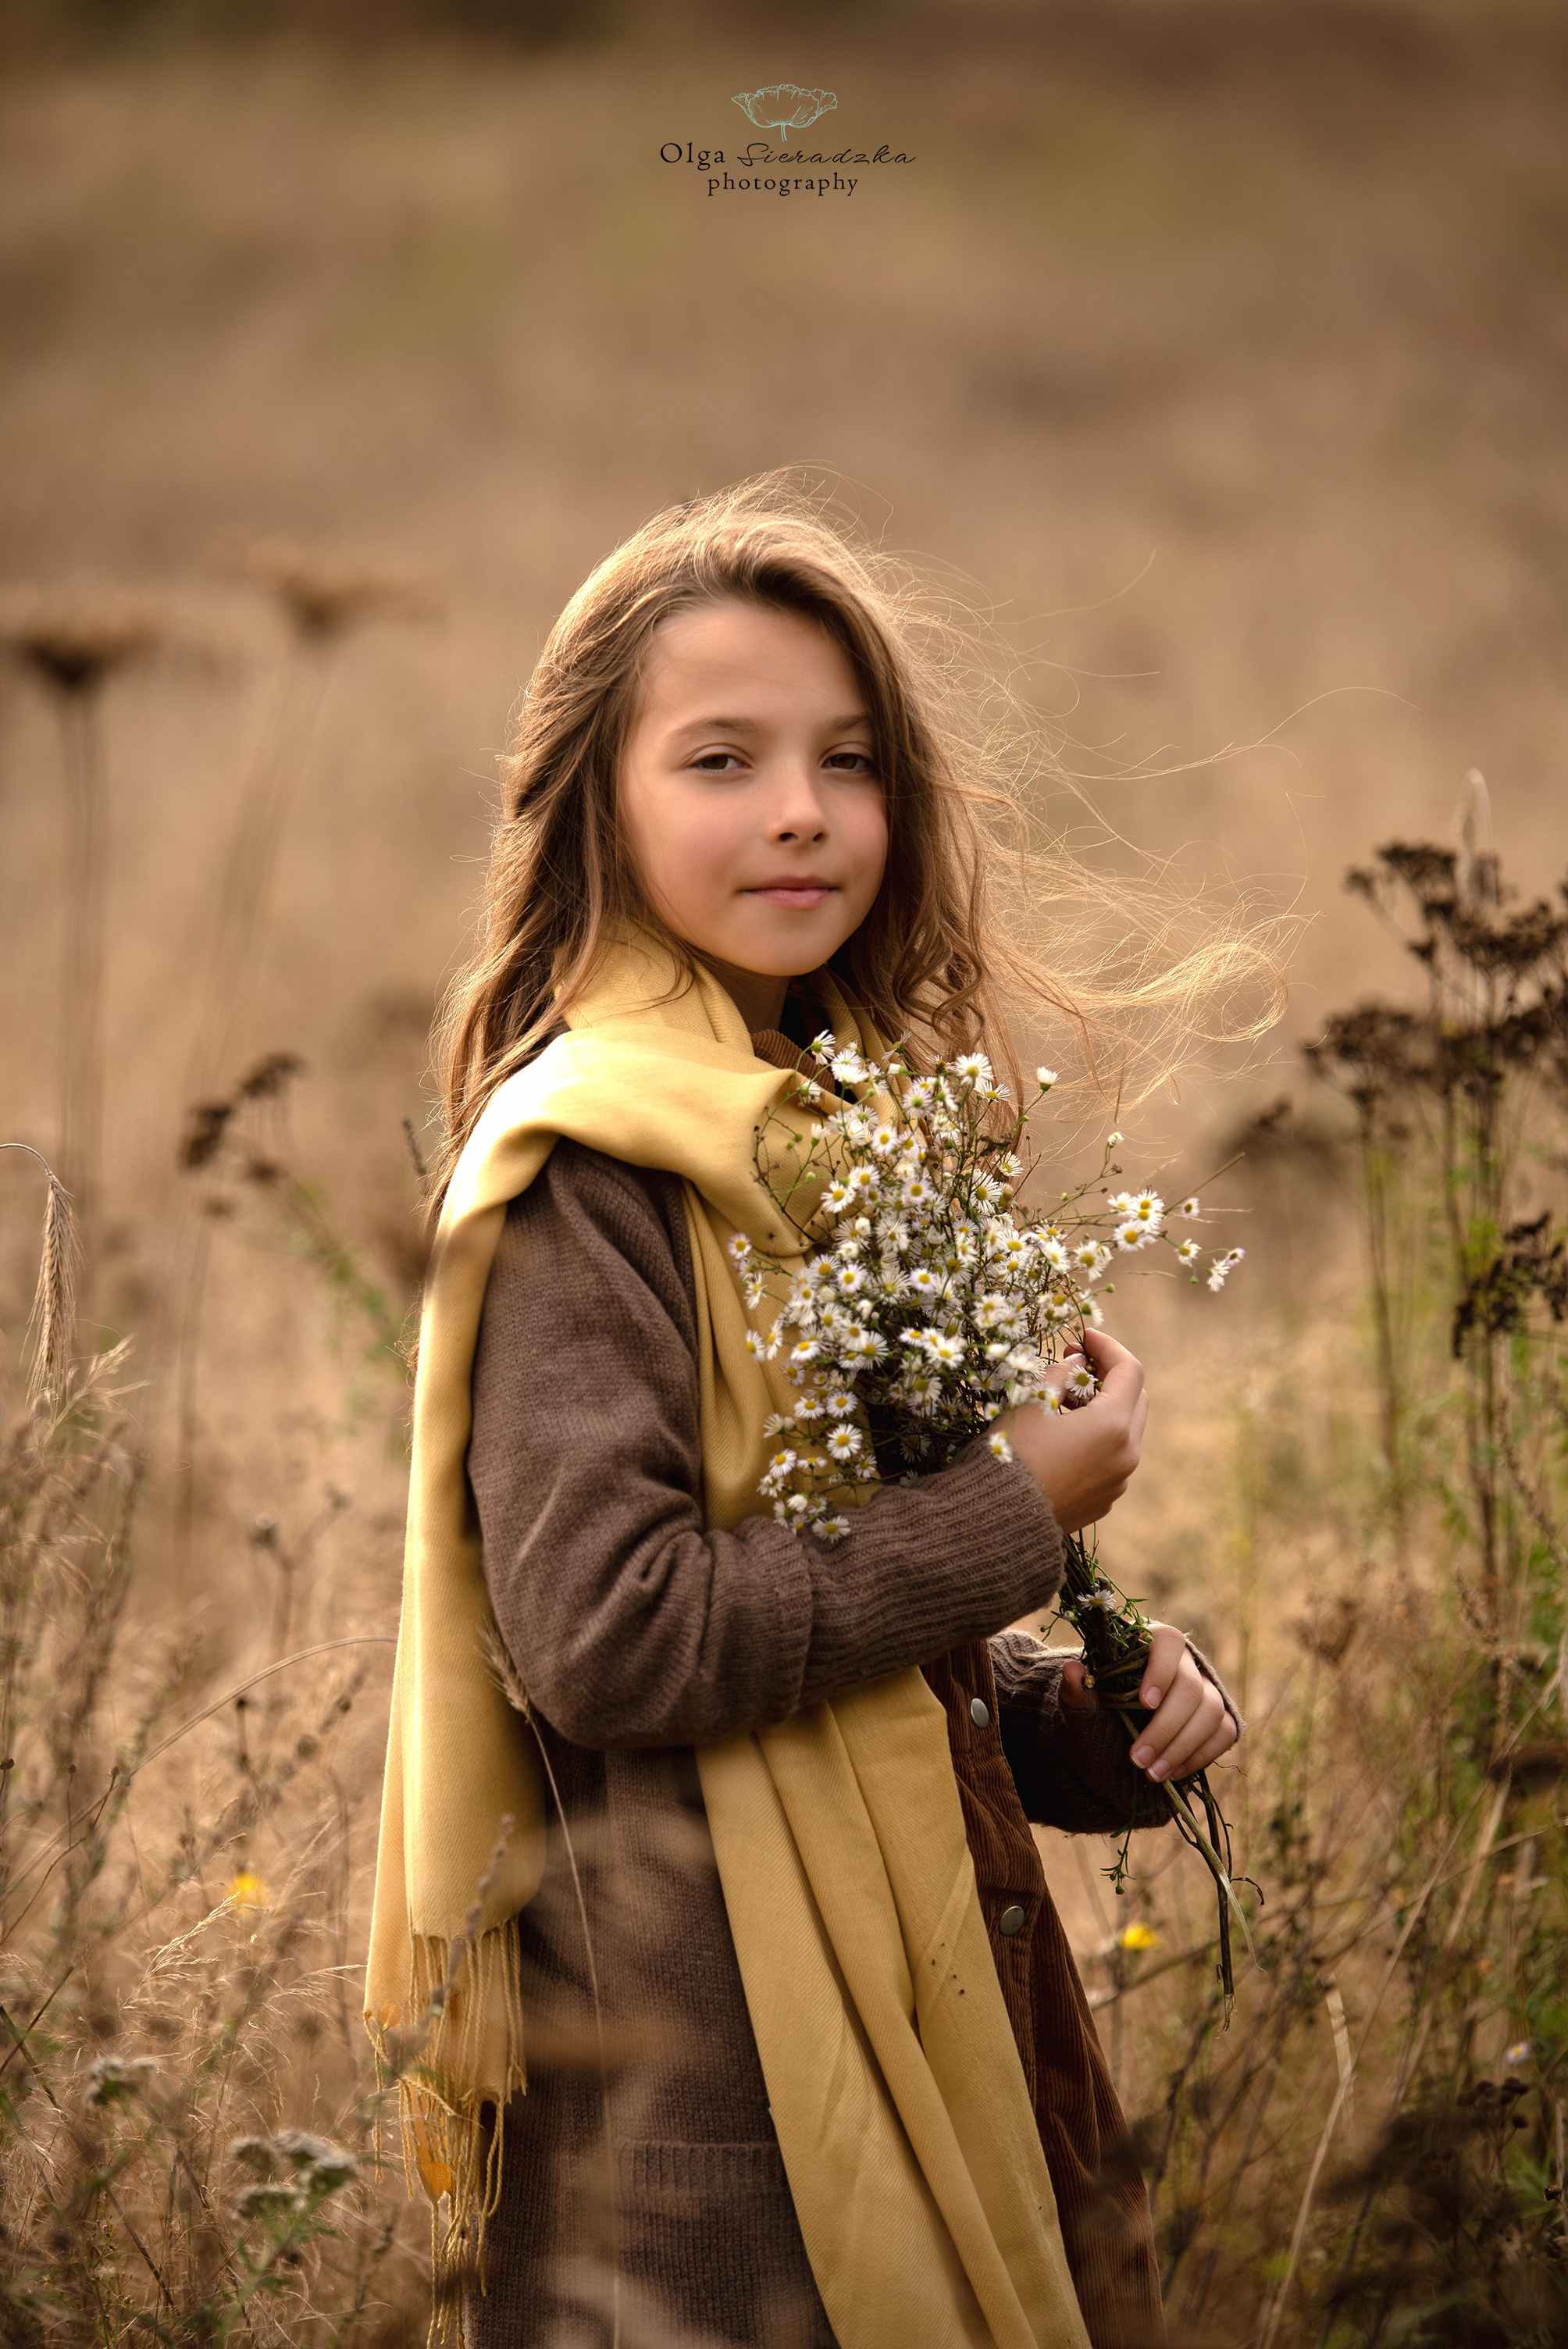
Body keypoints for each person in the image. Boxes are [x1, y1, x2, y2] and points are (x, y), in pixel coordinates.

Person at [365, 478, 1248, 2349]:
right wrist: (1015, 1510)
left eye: (847, 760)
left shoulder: (814, 1136)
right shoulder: (587, 1170)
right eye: (721, 758)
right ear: (593, 808)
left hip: (917, 2024)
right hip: (718, 2135)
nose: (799, 808)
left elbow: (849, 1633)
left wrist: (1076, 1706)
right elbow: (617, 1638)